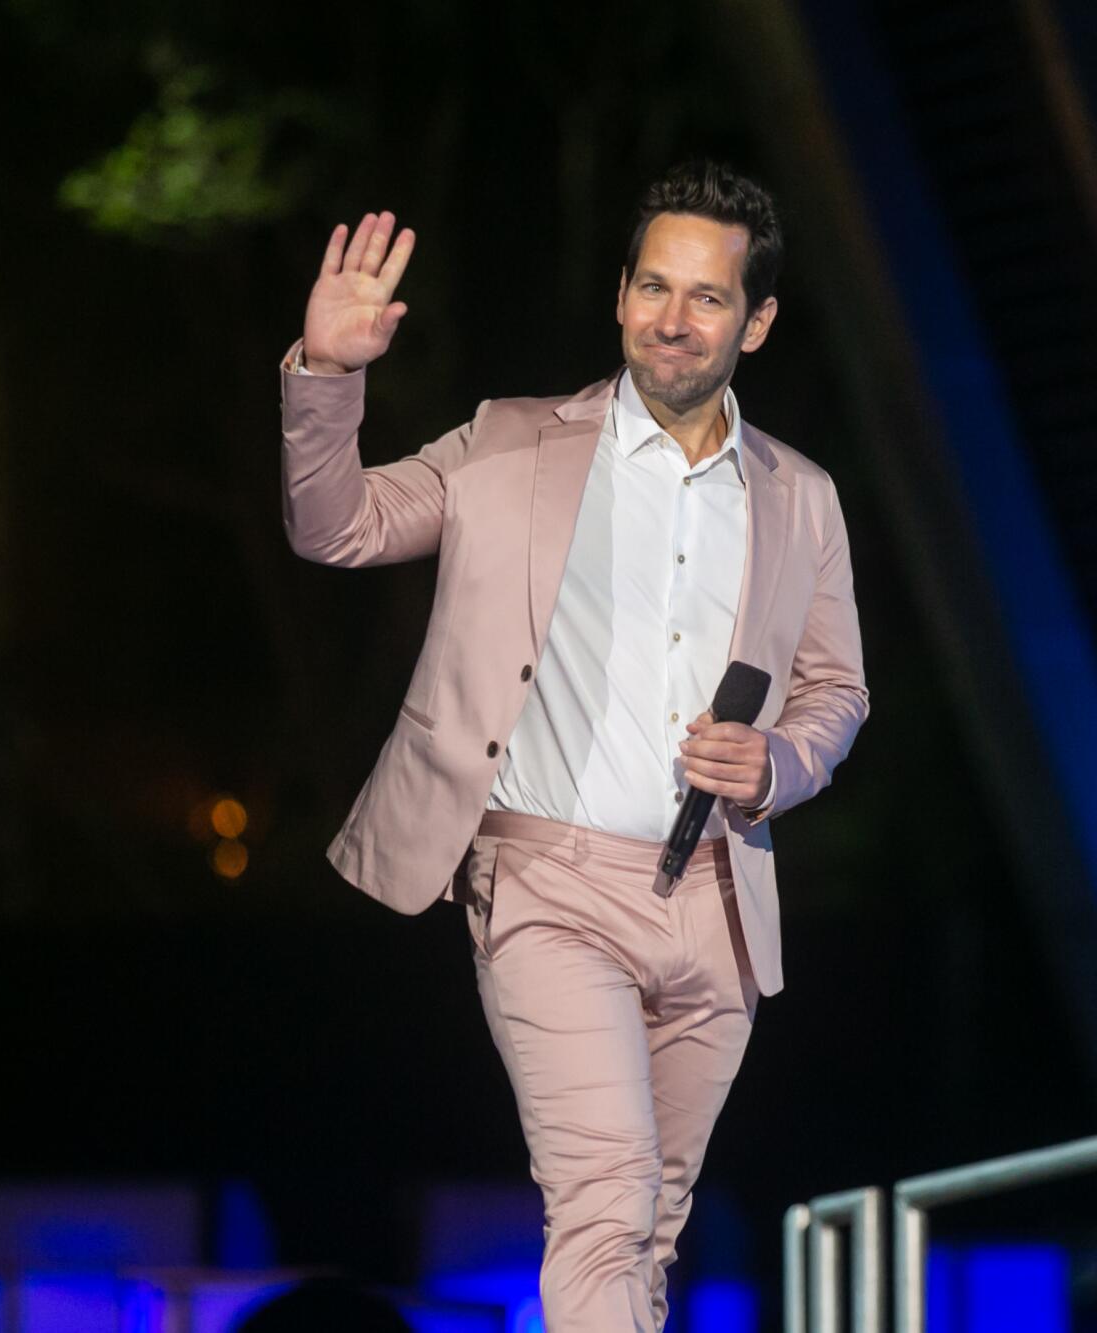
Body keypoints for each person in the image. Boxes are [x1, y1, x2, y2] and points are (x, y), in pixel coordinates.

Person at [280, 160, 868, 1331]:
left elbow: (835, 690)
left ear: (754, 321)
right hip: (543, 882)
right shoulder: (509, 445)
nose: (671, 317)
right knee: (602, 1198)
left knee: (648, 1224)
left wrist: (777, 765)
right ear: (618, 297)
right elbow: (335, 528)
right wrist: (327, 376)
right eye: (652, 286)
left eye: (706, 297)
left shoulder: (800, 495)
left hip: (716, 899)